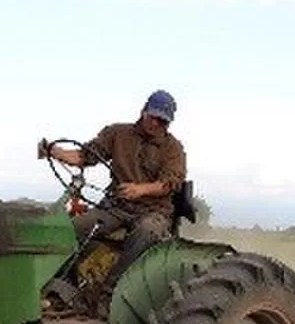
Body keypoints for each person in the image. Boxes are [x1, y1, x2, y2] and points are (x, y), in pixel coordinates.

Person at [39, 90, 187, 285]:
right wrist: (54, 151)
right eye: (153, 117)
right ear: (144, 111)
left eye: (162, 121)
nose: (155, 124)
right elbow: (85, 156)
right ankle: (60, 280)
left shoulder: (173, 148)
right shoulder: (118, 133)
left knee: (147, 231)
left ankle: (113, 288)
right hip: (116, 207)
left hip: (153, 211)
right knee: (72, 229)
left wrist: (140, 190)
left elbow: (170, 183)